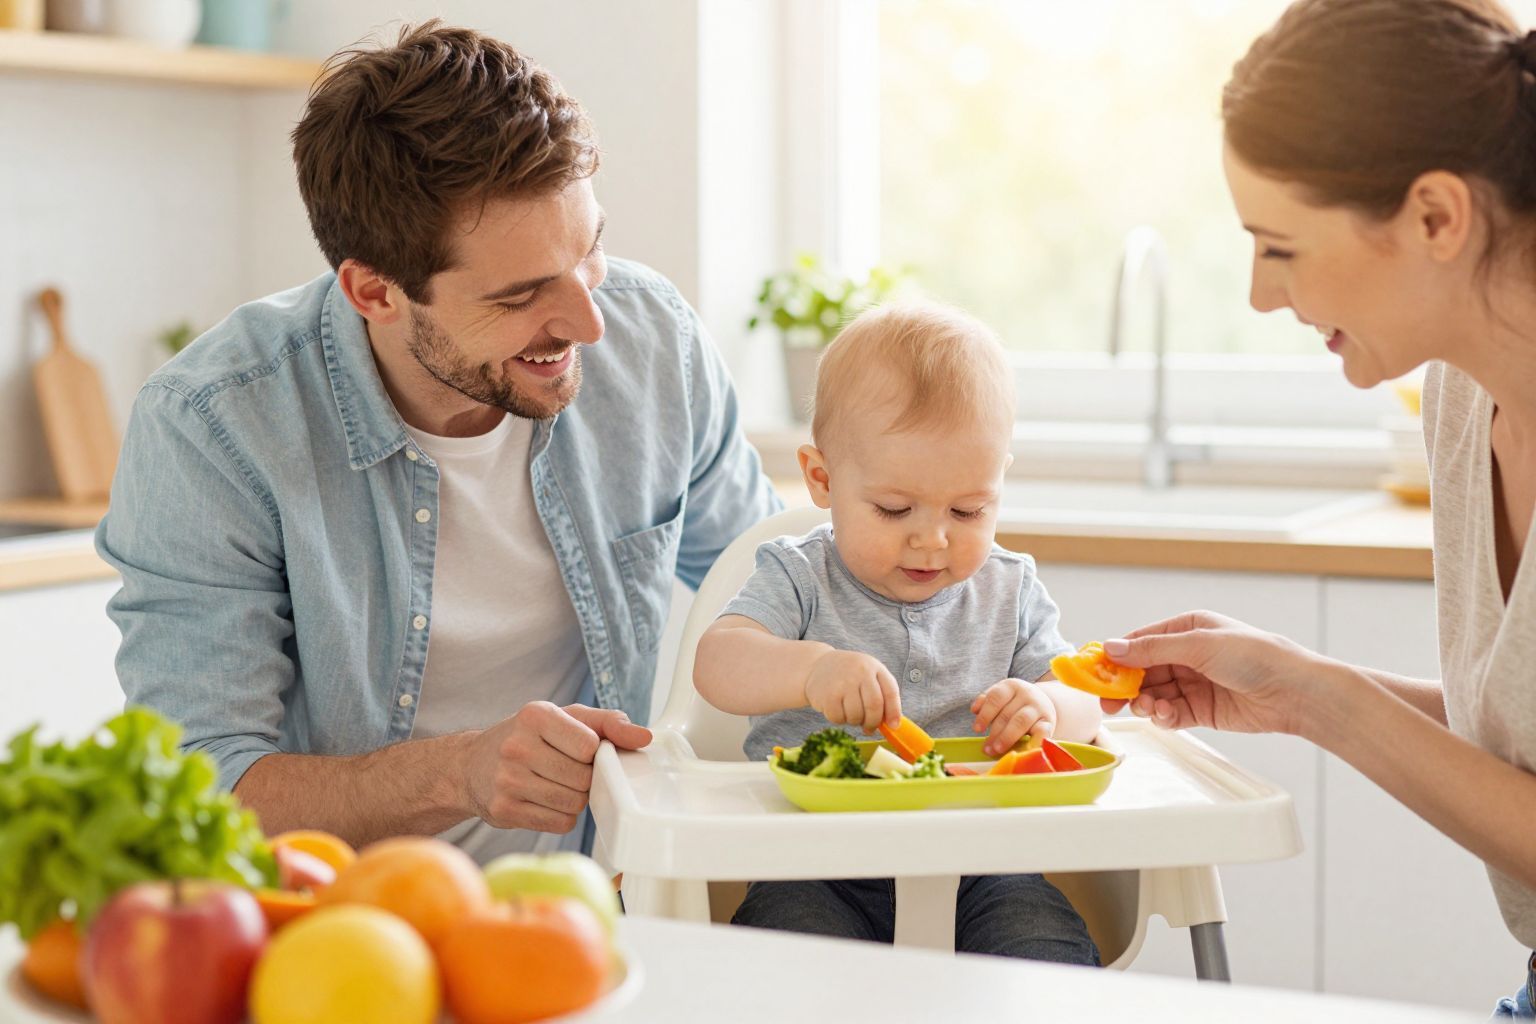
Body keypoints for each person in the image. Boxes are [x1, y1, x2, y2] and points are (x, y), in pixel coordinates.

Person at [94, 22, 780, 861]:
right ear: (375, 291)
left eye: (589, 251)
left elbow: (775, 594)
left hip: (596, 911)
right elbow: (201, 786)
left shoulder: (653, 342)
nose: (589, 324)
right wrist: (458, 774)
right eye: (523, 294)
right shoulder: (214, 428)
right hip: (344, 930)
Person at [1097, 0, 1536, 1015]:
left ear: (1436, 217)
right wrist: (1297, 686)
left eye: (1278, 246)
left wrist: (1329, 705)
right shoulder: (1465, 399)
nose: (1258, 295)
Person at [693, 301, 1102, 962]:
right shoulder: (798, 576)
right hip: (814, 866)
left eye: (969, 509)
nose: (932, 538)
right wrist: (811, 670)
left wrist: (1049, 705)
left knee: (1042, 947)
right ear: (821, 479)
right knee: (787, 960)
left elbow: (1085, 697)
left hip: (987, 867)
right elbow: (718, 662)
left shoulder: (1010, 587)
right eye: (893, 508)